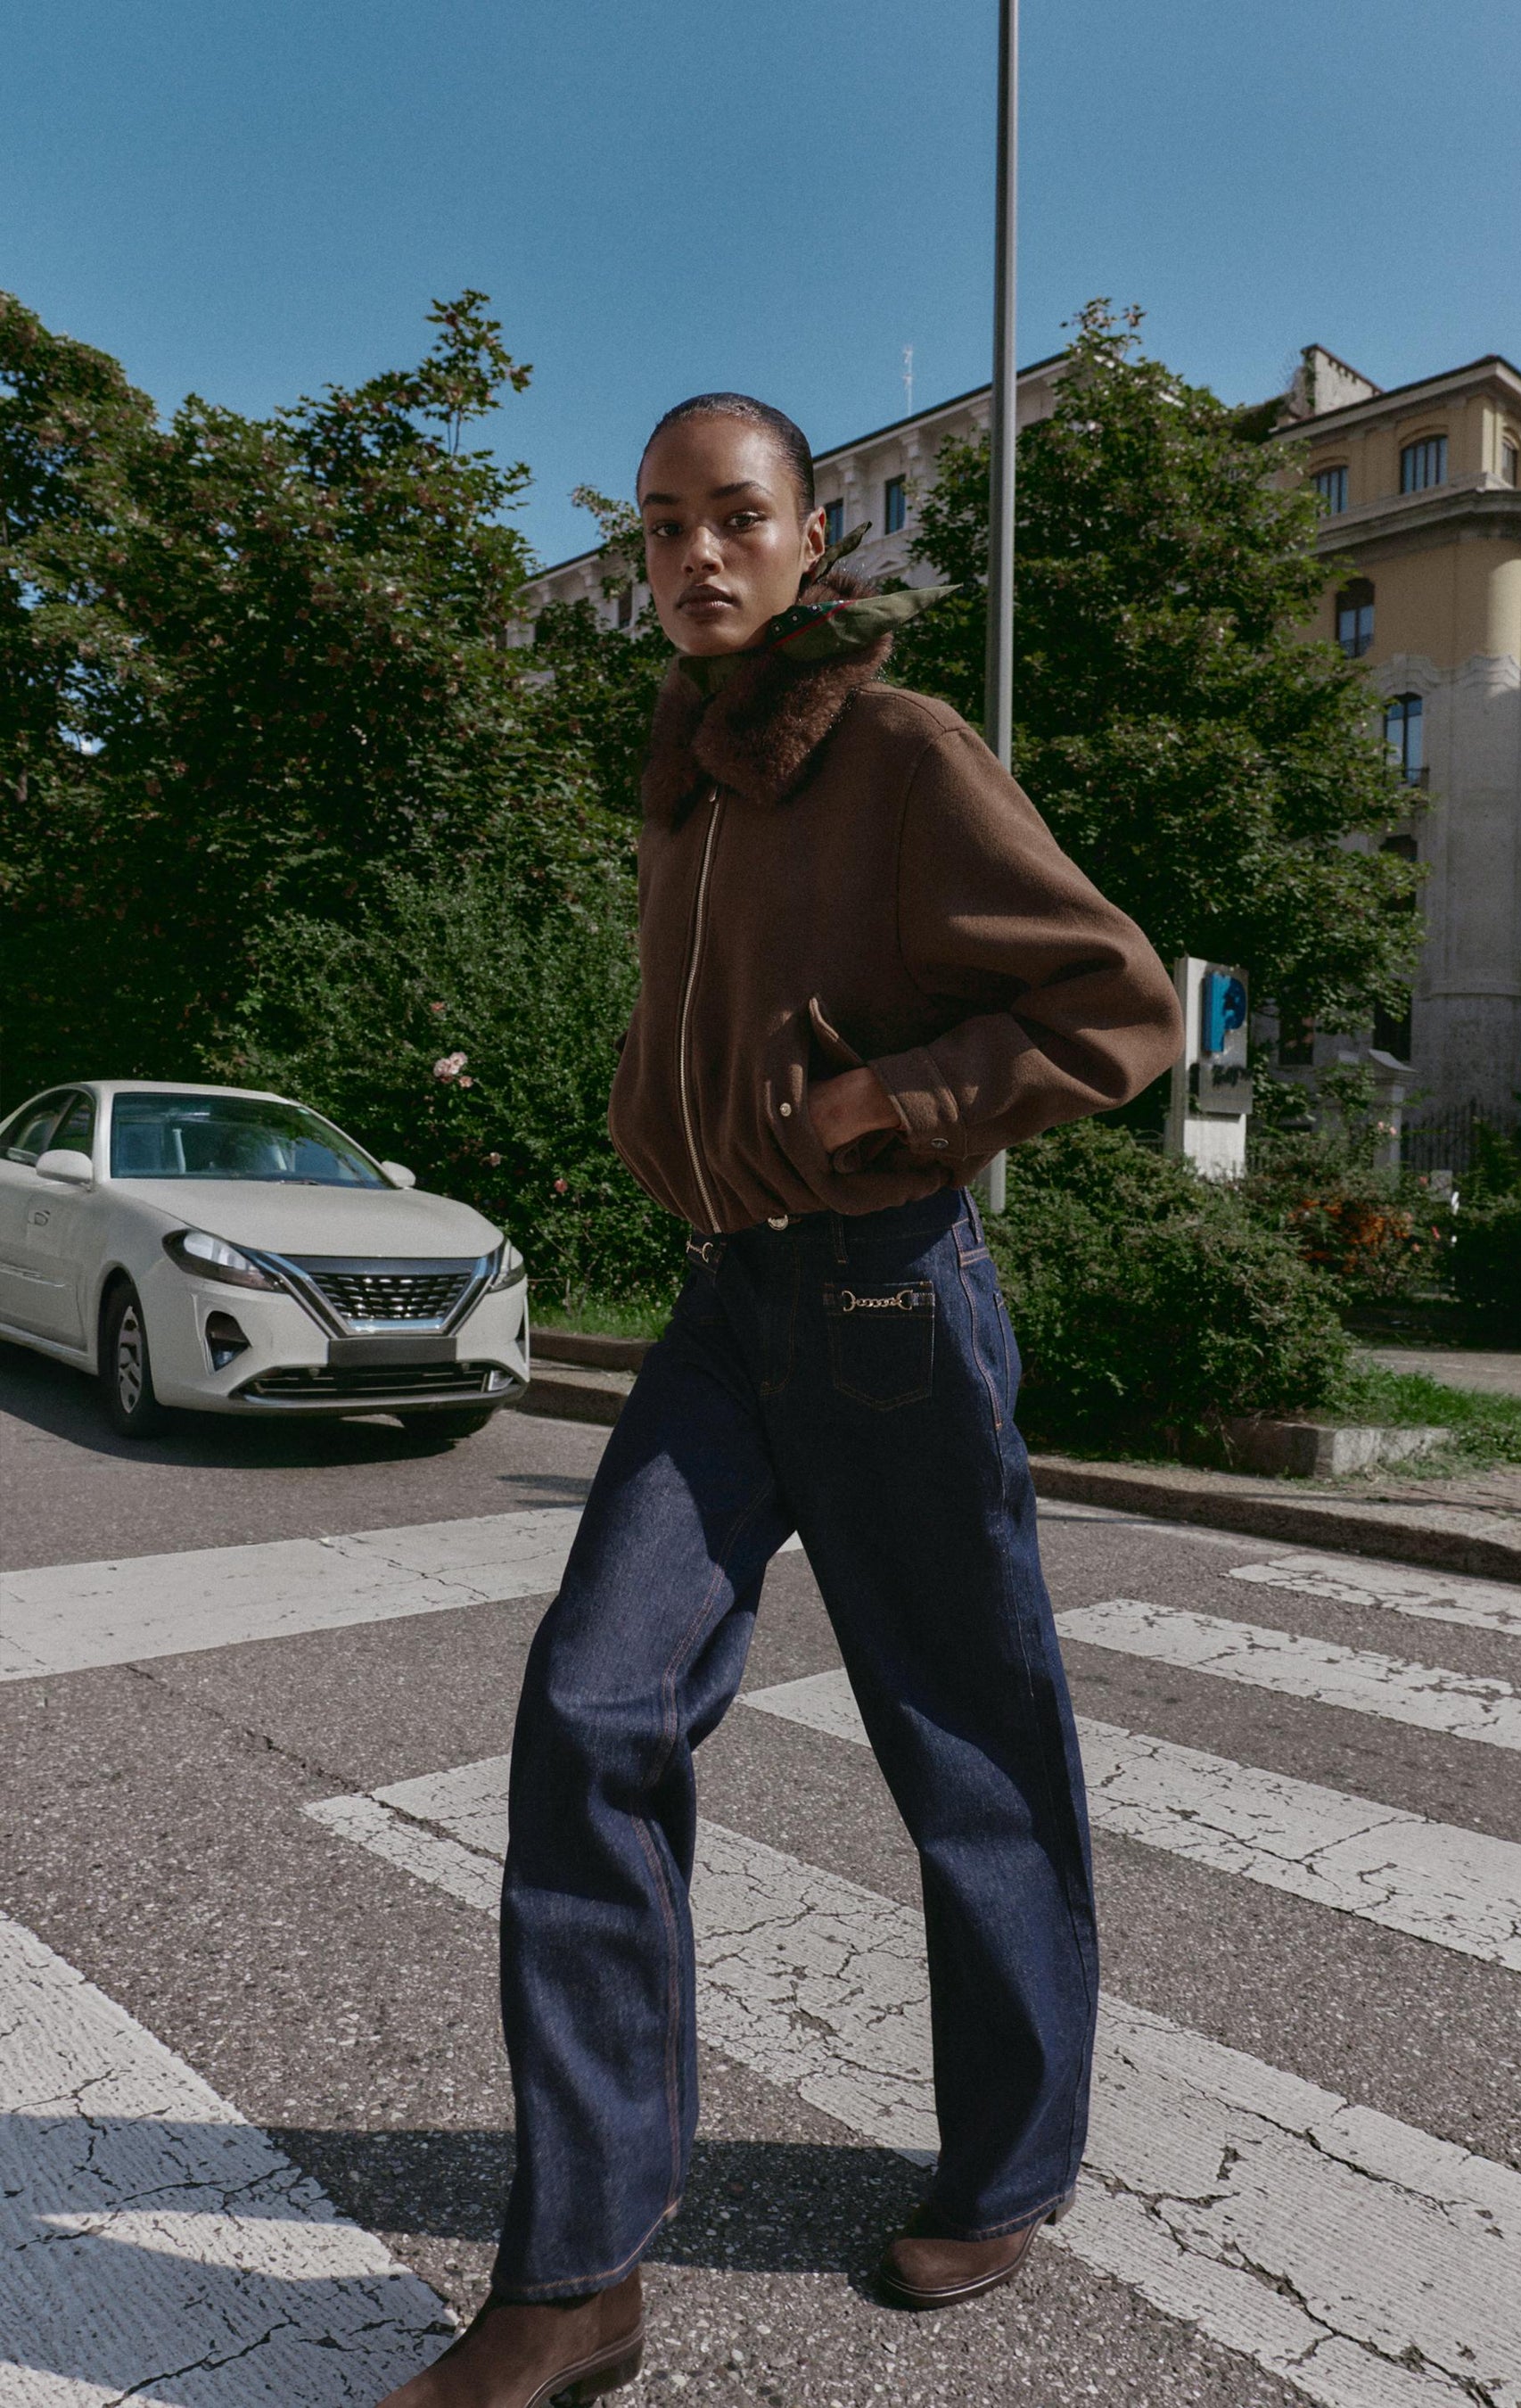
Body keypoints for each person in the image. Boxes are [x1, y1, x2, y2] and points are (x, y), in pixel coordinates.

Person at [380, 393, 1182, 2408]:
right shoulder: (696, 778)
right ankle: (578, 2280)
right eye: (662, 528)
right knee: (589, 1707)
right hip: (733, 1306)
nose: (696, 558)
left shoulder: (899, 751)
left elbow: (1118, 1006)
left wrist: (891, 1107)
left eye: (736, 518)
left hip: (893, 1304)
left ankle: (1011, 2161)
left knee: (968, 1747)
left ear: (816, 538)